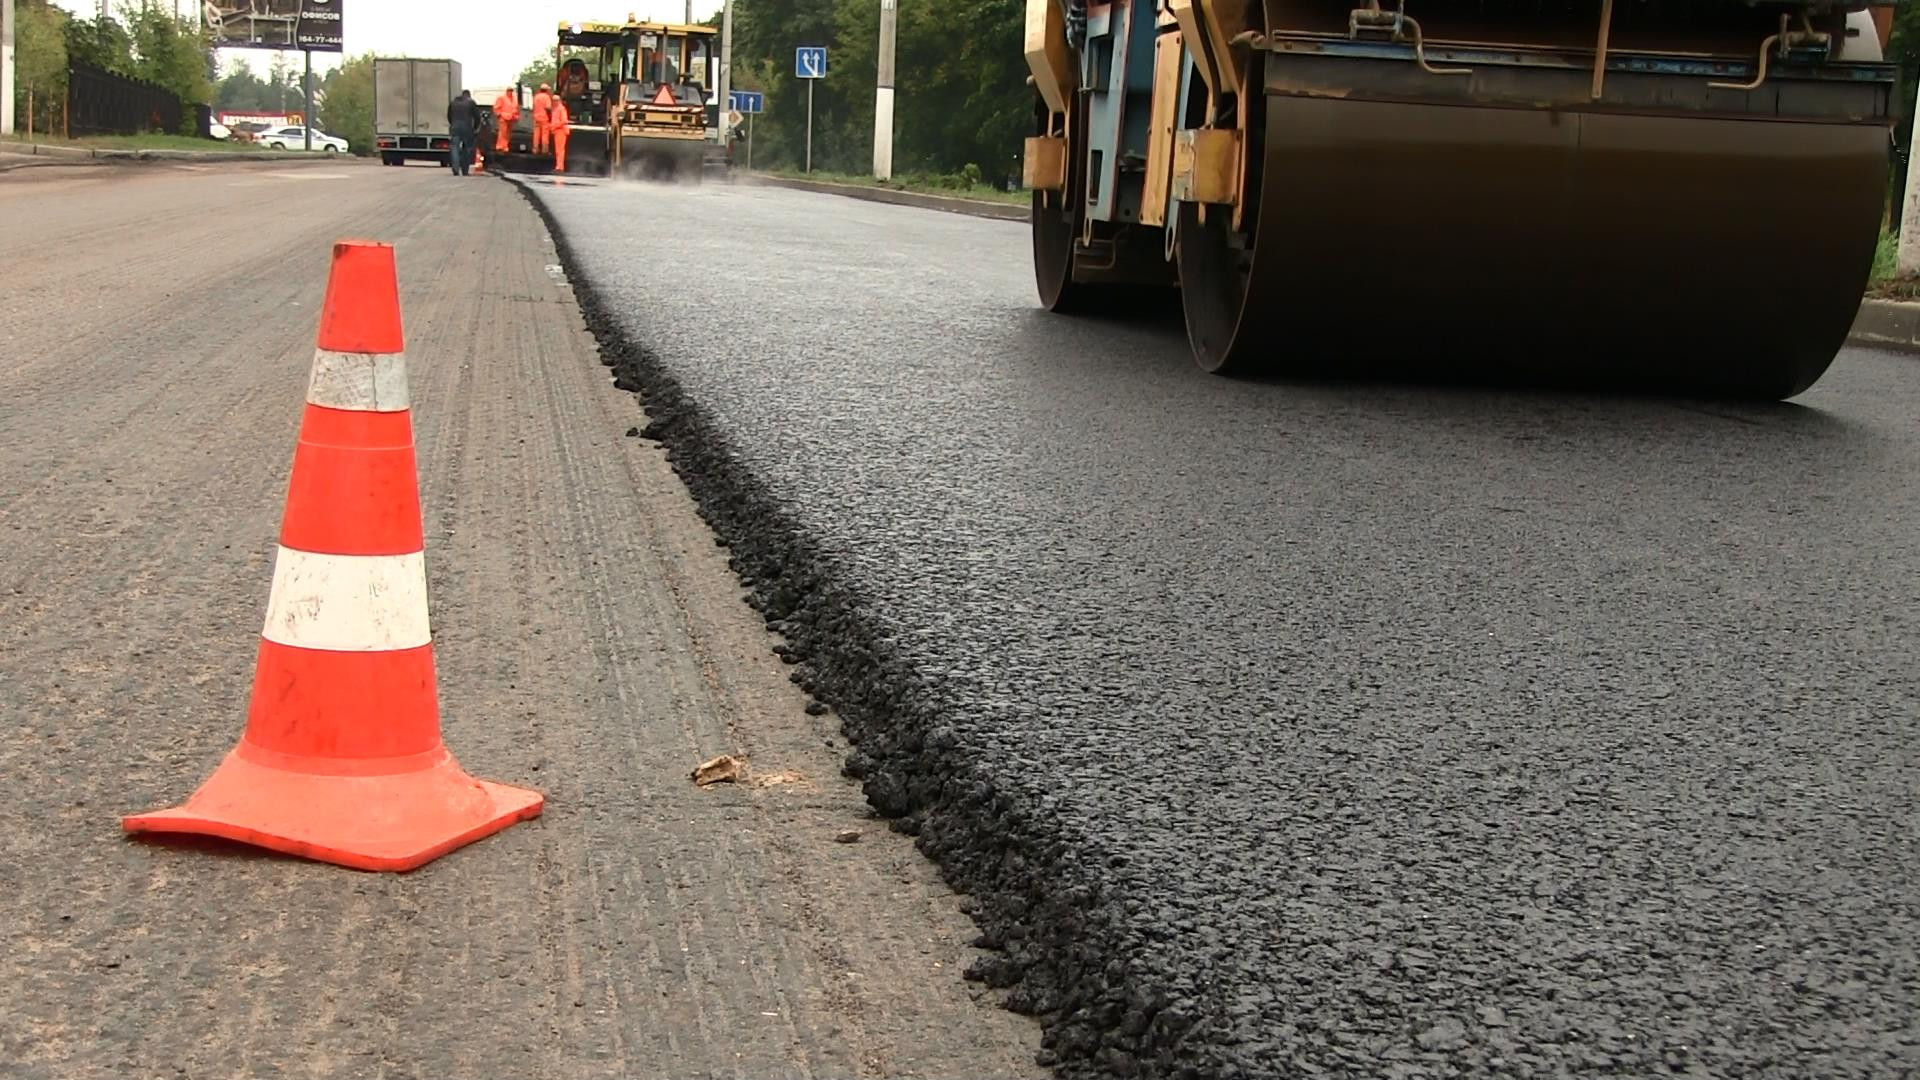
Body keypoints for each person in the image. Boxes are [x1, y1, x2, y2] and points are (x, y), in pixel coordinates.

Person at [447, 89, 479, 175]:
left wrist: (453, 124)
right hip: (467, 128)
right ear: (469, 95)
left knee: (454, 148)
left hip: (455, 128)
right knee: (467, 149)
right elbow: (477, 117)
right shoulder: (471, 102)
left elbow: (449, 116)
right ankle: (465, 170)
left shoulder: (453, 102)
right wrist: (475, 128)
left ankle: (455, 169)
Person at [492, 87, 520, 153]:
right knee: (502, 133)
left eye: (511, 91)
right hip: (503, 118)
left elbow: (516, 109)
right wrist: (499, 115)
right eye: (509, 91)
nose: (510, 92)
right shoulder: (501, 98)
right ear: (506, 91)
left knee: (508, 134)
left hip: (511, 118)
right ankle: (499, 146)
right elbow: (496, 107)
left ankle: (505, 146)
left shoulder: (514, 99)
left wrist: (516, 116)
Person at [550, 95, 571, 174]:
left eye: (556, 100)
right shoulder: (555, 109)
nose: (554, 102)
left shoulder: (561, 109)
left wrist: (554, 126)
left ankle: (560, 167)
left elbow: (564, 121)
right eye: (553, 100)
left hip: (561, 131)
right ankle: (558, 166)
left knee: (560, 150)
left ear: (559, 101)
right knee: (558, 150)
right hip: (557, 131)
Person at [531, 82, 554, 156]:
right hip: (544, 118)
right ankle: (545, 150)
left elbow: (533, 107)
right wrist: (550, 116)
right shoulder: (546, 97)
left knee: (536, 134)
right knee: (545, 135)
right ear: (546, 90)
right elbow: (548, 107)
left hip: (536, 117)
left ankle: (535, 149)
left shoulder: (536, 96)